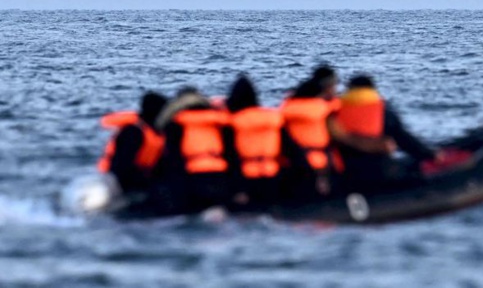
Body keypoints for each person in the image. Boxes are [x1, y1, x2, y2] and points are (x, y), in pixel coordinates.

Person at [280, 65, 391, 198]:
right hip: (323, 170)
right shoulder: (325, 110)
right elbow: (341, 137)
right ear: (328, 87)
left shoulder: (287, 108)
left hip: (291, 170)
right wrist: (378, 146)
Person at [336, 75, 438, 191]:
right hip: (380, 171)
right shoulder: (382, 111)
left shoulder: (336, 112)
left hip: (346, 174)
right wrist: (431, 155)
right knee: (413, 169)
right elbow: (404, 140)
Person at [147, 86, 233, 215]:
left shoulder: (176, 123)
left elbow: (169, 158)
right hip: (220, 179)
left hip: (190, 180)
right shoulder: (218, 121)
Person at [222, 74, 285, 209]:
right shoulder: (273, 119)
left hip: (246, 180)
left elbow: (230, 157)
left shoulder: (234, 122)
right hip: (273, 177)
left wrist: (238, 189)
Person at [98, 91, 168, 195]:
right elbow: (121, 167)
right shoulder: (133, 132)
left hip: (141, 179)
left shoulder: (159, 133)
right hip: (115, 180)